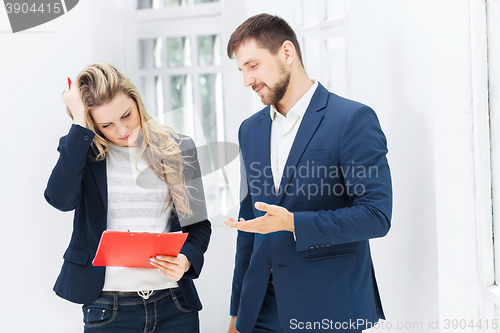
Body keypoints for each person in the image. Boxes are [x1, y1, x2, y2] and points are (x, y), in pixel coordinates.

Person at [224, 14, 392, 333]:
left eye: (253, 65)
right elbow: (249, 223)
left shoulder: (352, 120)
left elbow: (376, 215)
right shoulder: (250, 130)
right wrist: (236, 312)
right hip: (258, 311)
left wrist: (292, 223)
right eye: (242, 70)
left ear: (287, 52)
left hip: (327, 307)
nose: (247, 80)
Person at [44, 63, 211, 332]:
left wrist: (186, 260)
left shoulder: (179, 148)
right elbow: (60, 200)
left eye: (127, 115)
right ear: (92, 124)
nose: (122, 130)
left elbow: (198, 227)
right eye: (107, 124)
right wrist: (78, 122)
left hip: (174, 305)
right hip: (108, 309)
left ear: (136, 102)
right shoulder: (82, 152)